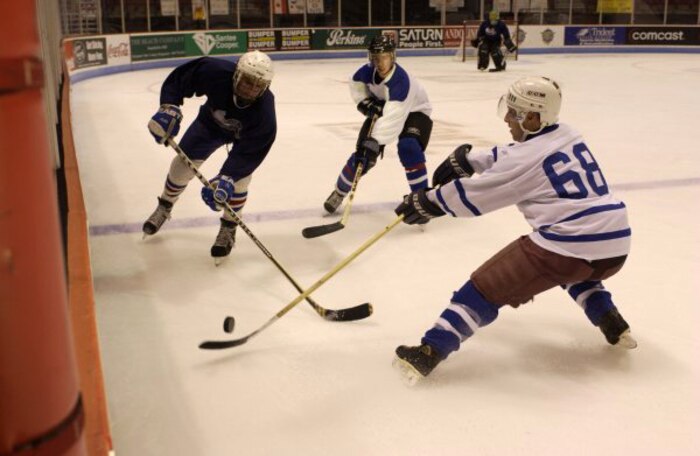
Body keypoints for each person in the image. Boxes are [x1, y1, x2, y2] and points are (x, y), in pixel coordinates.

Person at [393, 76, 636, 383]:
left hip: (574, 242)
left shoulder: (526, 159)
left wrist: (426, 201)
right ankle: (610, 320)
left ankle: (428, 353)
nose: (507, 118)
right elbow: (515, 154)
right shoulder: (567, 133)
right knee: (573, 269)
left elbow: (474, 198)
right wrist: (469, 159)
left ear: (533, 117)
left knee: (484, 287)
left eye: (514, 112)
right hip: (615, 246)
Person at [144, 51, 276, 262]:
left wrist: (228, 177)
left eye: (258, 85)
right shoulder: (215, 71)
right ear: (236, 75)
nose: (251, 90)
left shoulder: (265, 112)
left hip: (243, 140)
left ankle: (229, 226)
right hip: (208, 126)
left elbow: (252, 152)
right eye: (247, 82)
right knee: (180, 168)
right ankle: (165, 205)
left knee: (239, 182)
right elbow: (182, 78)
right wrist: (169, 106)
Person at [322, 34, 433, 214]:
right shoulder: (366, 71)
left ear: (393, 57)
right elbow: (356, 82)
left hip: (415, 112)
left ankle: (421, 200)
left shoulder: (401, 81)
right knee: (362, 156)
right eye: (376, 58)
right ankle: (339, 192)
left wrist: (375, 140)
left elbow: (393, 119)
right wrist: (366, 103)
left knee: (409, 147)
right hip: (387, 109)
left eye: (385, 57)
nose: (380, 63)